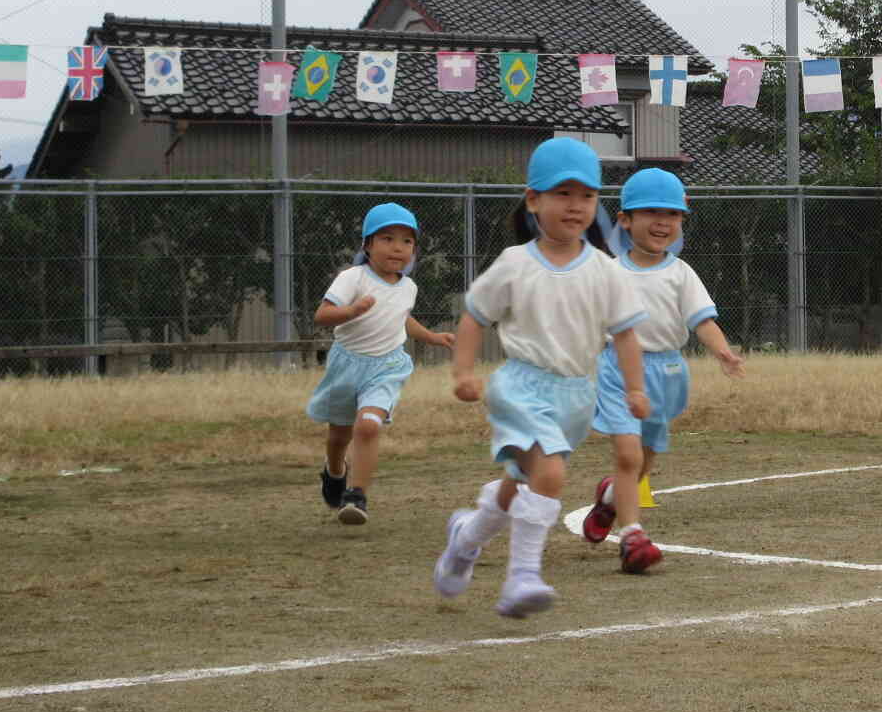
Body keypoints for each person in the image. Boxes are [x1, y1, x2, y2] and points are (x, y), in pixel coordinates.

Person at [432, 137, 648, 618]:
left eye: (586, 195)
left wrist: (635, 388)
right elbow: (473, 317)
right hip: (520, 386)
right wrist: (463, 372)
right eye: (562, 193)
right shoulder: (514, 264)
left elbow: (627, 335)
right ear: (533, 200)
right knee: (550, 473)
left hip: (576, 396)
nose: (575, 206)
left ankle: (464, 541)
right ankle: (522, 578)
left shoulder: (607, 271)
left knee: (519, 485)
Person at [582, 168, 744, 572]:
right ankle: (633, 536)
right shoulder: (609, 273)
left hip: (668, 372)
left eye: (671, 214)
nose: (662, 222)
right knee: (627, 454)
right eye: (650, 212)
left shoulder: (681, 273)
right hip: (619, 371)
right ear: (624, 219)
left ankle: (608, 502)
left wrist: (723, 351)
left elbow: (702, 321)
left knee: (645, 460)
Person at [307, 202, 454, 525]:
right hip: (347, 365)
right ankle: (335, 471)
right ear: (367, 245)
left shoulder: (409, 286)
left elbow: (402, 319)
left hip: (387, 367)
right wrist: (351, 311)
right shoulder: (353, 278)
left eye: (407, 241)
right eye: (387, 238)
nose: (397, 247)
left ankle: (356, 495)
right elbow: (322, 315)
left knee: (369, 425)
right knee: (338, 437)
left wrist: (431, 337)